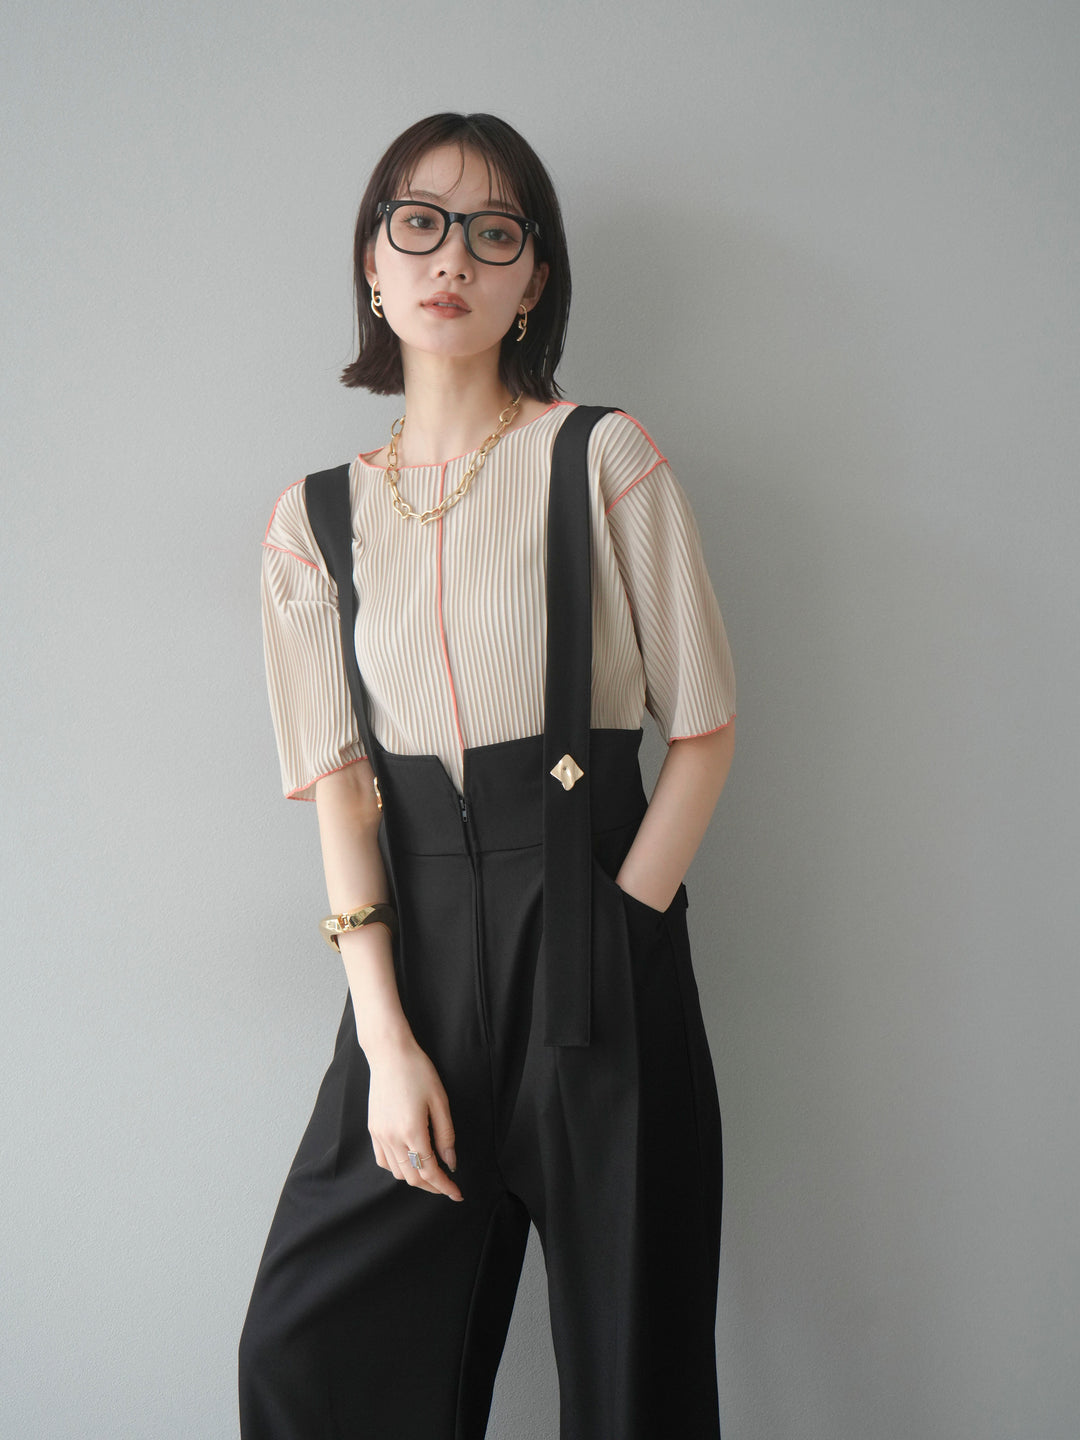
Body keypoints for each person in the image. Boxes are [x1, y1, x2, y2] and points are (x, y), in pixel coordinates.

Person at [239, 111, 737, 1439]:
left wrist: (624, 925)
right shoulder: (313, 522)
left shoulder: (602, 455)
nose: (451, 256)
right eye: (420, 223)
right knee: (310, 1361)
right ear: (373, 261)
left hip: (596, 948)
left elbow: (704, 727)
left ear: (535, 279)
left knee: (633, 1385)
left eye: (493, 232)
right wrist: (385, 1039)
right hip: (415, 963)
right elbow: (344, 794)